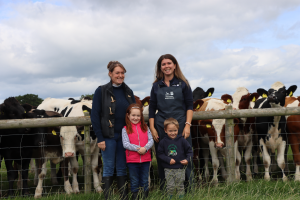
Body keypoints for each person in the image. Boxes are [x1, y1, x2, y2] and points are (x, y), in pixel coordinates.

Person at [91, 61, 136, 200]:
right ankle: (107, 197)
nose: (120, 75)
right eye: (117, 73)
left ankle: (124, 196)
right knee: (109, 166)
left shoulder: (128, 91)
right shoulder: (101, 90)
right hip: (108, 136)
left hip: (124, 136)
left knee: (122, 166)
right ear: (110, 74)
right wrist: (100, 137)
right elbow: (95, 115)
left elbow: (134, 112)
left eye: (122, 73)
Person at [149, 54, 194, 190]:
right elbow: (151, 108)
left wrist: (187, 125)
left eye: (169, 63)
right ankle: (165, 188)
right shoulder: (156, 86)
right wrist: (152, 128)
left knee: (185, 155)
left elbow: (189, 106)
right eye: (163, 64)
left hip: (180, 124)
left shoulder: (183, 83)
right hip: (161, 125)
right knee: (163, 155)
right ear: (160, 67)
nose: (166, 66)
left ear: (174, 65)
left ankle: (188, 188)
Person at [122, 103, 154, 199]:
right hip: (132, 161)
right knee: (134, 180)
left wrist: (145, 148)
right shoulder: (125, 129)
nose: (136, 118)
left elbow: (151, 140)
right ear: (128, 115)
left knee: (144, 180)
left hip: (145, 159)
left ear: (141, 116)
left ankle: (144, 197)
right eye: (133, 115)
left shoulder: (145, 127)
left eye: (138, 115)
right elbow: (126, 143)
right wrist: (138, 148)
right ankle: (135, 197)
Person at [157, 118, 193, 198]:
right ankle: (170, 198)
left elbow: (189, 151)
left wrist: (187, 160)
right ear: (165, 130)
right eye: (170, 131)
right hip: (168, 169)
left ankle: (181, 198)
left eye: (175, 130)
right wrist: (168, 159)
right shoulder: (163, 142)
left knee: (180, 186)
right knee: (170, 186)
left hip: (180, 168)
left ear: (178, 129)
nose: (173, 133)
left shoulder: (182, 141)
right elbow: (159, 153)